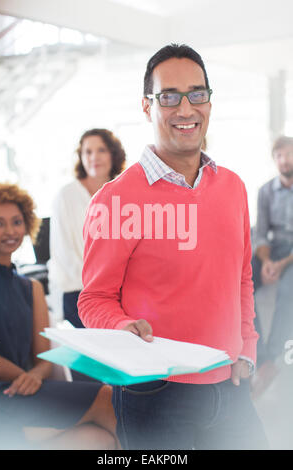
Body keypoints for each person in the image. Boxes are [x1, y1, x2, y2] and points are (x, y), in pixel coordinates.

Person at [77, 43, 268, 450]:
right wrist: (121, 326)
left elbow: (242, 276)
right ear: (147, 107)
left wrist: (247, 346)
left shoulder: (232, 186)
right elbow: (93, 299)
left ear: (210, 103)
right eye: (169, 97)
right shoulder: (116, 199)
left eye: (197, 94)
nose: (185, 109)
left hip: (230, 386)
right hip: (155, 394)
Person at [0, 182, 119, 450]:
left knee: (100, 441)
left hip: (25, 389)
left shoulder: (32, 288)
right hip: (3, 393)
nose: (10, 231)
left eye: (16, 222)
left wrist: (36, 375)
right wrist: (25, 376)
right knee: (108, 398)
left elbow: (43, 357)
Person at [48, 128, 126, 328]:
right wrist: (100, 285)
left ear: (113, 154)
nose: (94, 157)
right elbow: (64, 254)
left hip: (119, 292)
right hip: (78, 292)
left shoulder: (125, 192)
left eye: (101, 150)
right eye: (87, 152)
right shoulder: (66, 196)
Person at [251, 136, 293, 398]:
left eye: (288, 155)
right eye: (279, 155)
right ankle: (260, 355)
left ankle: (276, 353)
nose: (284, 160)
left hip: (290, 254)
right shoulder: (265, 191)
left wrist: (282, 264)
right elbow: (260, 234)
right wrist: (266, 262)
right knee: (241, 279)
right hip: (272, 250)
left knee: (287, 290)